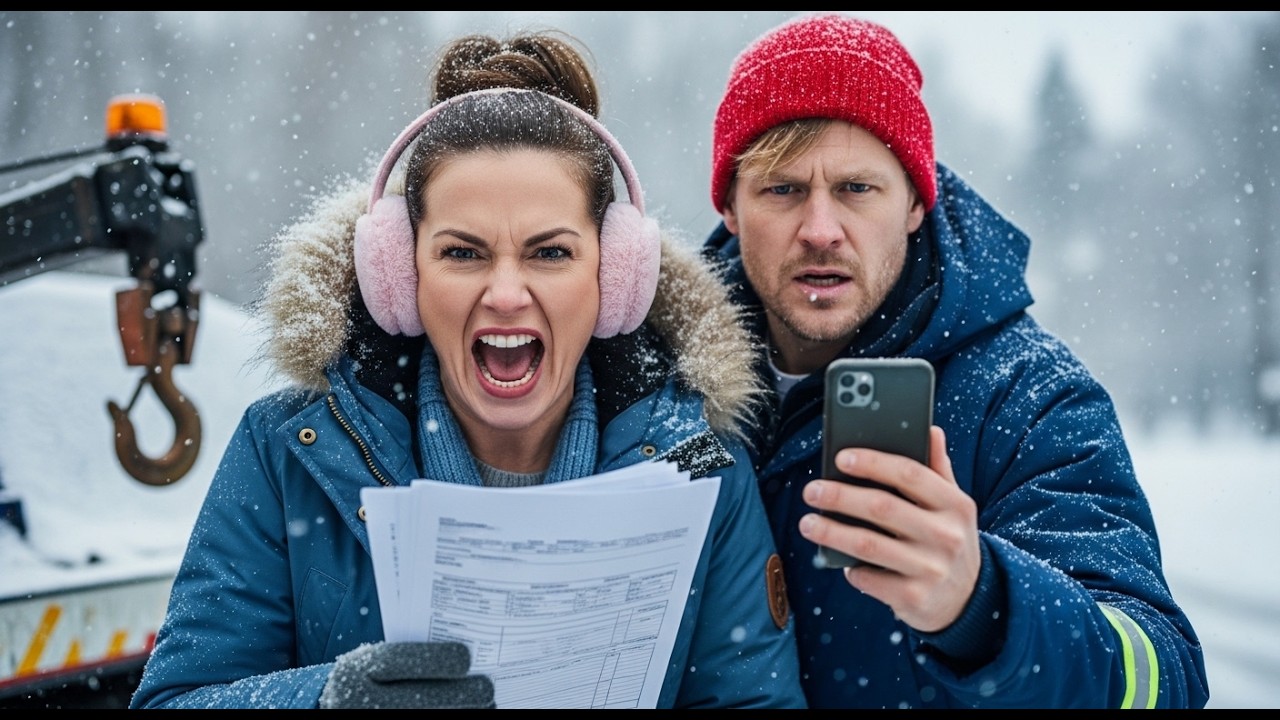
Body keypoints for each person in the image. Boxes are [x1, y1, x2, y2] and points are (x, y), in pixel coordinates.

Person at [129, 30, 805, 710]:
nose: (506, 293)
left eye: (549, 253)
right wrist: (326, 700)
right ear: (398, 273)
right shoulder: (285, 455)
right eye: (462, 253)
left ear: (614, 277)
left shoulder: (702, 471)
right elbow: (173, 700)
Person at [701, 14, 1210, 709]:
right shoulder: (654, 383)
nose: (820, 230)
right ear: (730, 206)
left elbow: (1163, 678)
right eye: (782, 189)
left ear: (915, 201)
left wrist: (984, 605)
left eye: (856, 188)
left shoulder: (1032, 398)